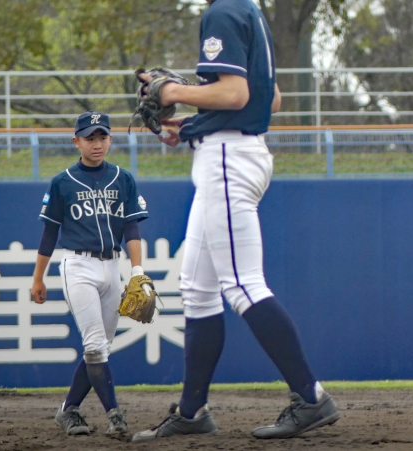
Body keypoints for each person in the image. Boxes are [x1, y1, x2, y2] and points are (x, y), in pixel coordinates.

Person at [131, 0, 340, 442]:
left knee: (243, 285)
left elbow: (235, 95)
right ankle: (192, 411)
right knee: (196, 287)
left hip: (228, 159)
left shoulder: (223, 11)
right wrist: (194, 123)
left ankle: (311, 397)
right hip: (234, 150)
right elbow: (271, 98)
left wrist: (172, 92)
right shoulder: (248, 10)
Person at [31, 110, 149, 436]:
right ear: (76, 141)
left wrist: (137, 271)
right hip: (78, 266)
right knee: (95, 345)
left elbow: (132, 229)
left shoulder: (123, 179)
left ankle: (68, 410)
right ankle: (115, 415)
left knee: (100, 348)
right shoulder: (62, 182)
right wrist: (38, 277)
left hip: (112, 266)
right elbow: (49, 233)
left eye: (102, 137)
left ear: (110, 139)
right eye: (89, 138)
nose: (97, 144)